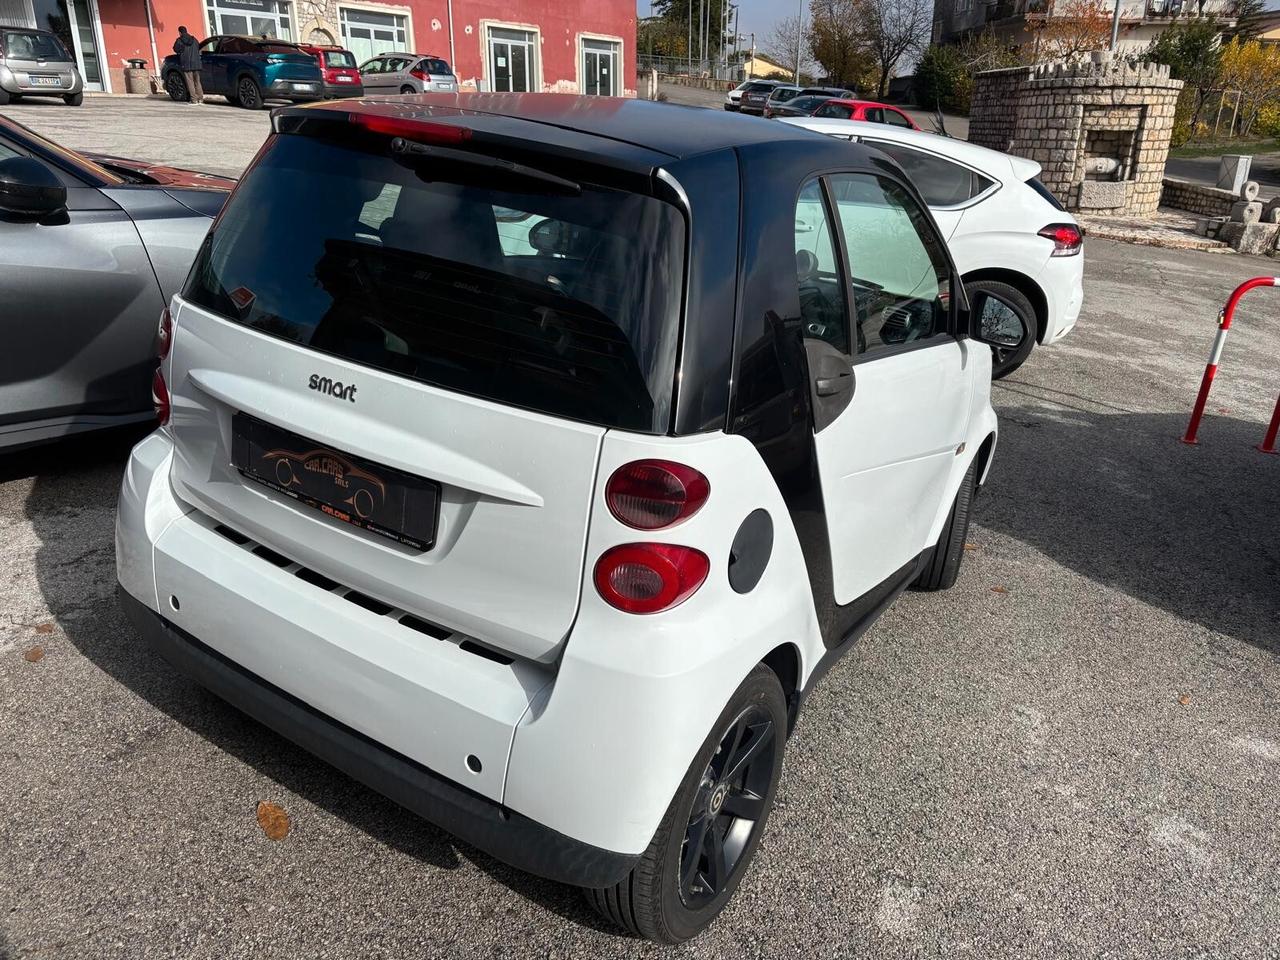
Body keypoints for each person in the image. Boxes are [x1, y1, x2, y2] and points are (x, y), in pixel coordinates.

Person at [173, 26, 203, 104]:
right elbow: (198, 48)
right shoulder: (194, 40)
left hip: (186, 64)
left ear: (179, 32)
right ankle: (200, 99)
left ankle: (194, 100)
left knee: (190, 82)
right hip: (196, 63)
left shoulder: (179, 40)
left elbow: (175, 49)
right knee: (197, 81)